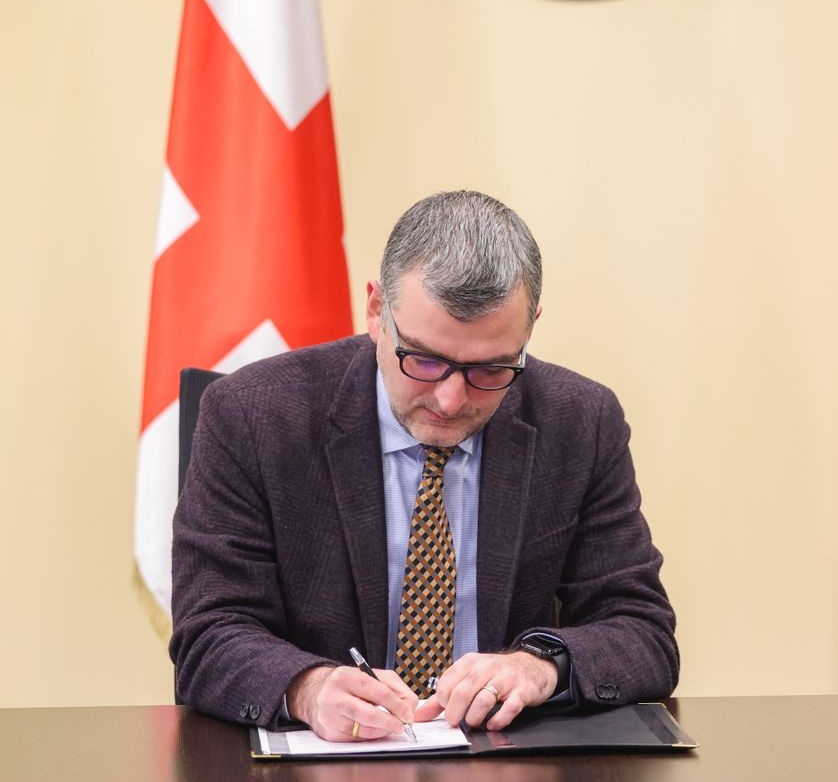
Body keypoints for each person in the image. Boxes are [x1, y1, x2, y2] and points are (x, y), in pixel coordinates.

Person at [171, 191, 677, 741]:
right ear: (376, 312)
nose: (450, 400)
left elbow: (642, 631)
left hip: (506, 767)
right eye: (424, 360)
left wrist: (539, 667)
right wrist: (308, 688)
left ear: (529, 328)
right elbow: (208, 634)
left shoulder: (580, 422)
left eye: (490, 369)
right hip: (325, 771)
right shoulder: (254, 416)